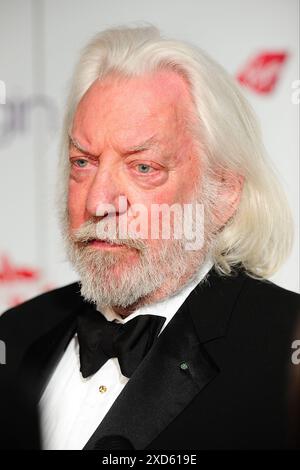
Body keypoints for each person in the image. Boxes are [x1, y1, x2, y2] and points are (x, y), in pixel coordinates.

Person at [0, 25, 299, 450]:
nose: (99, 201)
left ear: (224, 193)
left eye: (143, 167)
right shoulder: (14, 335)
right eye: (83, 162)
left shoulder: (284, 352)